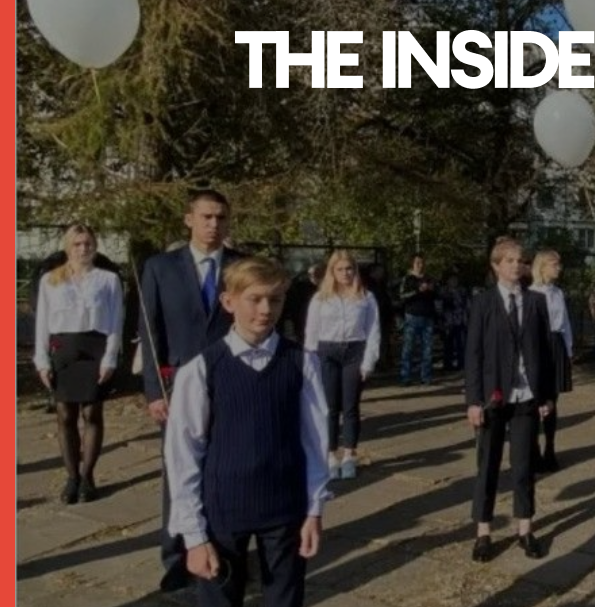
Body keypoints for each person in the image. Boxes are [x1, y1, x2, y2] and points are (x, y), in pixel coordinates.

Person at [164, 256, 330, 607]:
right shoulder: (202, 369)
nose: (266, 310)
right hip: (222, 510)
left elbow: (315, 440)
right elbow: (183, 453)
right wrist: (193, 535)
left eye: (275, 299)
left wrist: (314, 509)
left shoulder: (302, 362)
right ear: (228, 301)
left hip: (285, 508)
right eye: (255, 299)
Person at [138, 188, 246, 593]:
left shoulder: (241, 265)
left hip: (230, 382)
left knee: (225, 467)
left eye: (221, 217)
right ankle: (176, 558)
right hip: (178, 385)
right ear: (189, 220)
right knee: (179, 470)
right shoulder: (160, 268)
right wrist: (154, 390)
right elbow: (150, 332)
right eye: (206, 217)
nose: (214, 224)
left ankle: (223, 548)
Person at [465, 237, 556, 562]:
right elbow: (473, 354)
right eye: (510, 261)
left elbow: (545, 352)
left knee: (524, 465)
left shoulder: (536, 301)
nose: (517, 266)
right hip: (493, 397)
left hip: (527, 396)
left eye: (521, 260)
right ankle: (483, 531)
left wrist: (547, 395)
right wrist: (473, 400)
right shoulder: (483, 303)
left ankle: (525, 528)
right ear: (496, 266)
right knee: (487, 465)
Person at [33, 224, 125, 504]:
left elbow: (116, 321)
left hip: (95, 348)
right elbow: (42, 322)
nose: (83, 249)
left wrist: (110, 357)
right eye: (77, 244)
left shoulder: (108, 279)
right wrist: (41, 359)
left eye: (88, 243)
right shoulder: (50, 279)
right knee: (65, 415)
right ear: (67, 247)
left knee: (92, 413)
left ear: (95, 246)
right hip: (63, 350)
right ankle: (72, 476)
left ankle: (88, 476)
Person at [305, 250, 381, 480]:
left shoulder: (366, 297)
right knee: (329, 407)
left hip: (354, 352)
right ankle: (330, 454)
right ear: (332, 272)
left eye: (349, 268)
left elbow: (373, 331)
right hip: (327, 352)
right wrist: (310, 363)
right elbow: (311, 332)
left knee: (350, 406)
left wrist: (368, 362)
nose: (345, 273)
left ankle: (349, 454)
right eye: (340, 269)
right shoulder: (321, 298)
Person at [529, 250, 573, 473]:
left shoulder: (558, 292)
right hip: (538, 346)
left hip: (556, 344)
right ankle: (533, 450)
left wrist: (569, 349)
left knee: (552, 400)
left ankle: (550, 448)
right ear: (543, 267)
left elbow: (565, 322)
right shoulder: (531, 293)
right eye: (554, 264)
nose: (559, 268)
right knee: (535, 399)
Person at [398, 254, 437, 385]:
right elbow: (402, 296)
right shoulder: (407, 279)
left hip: (428, 317)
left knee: (427, 349)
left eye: (422, 262)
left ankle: (426, 377)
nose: (420, 265)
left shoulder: (429, 278)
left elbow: (437, 295)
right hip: (412, 316)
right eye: (417, 263)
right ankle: (405, 377)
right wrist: (418, 290)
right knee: (408, 348)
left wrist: (431, 290)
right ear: (412, 264)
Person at [440, 273, 470, 372]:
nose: (454, 281)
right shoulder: (443, 291)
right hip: (448, 321)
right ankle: (448, 365)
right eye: (451, 279)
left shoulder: (462, 291)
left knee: (461, 343)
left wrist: (467, 317)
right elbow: (439, 306)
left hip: (461, 320)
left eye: (455, 279)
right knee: (448, 344)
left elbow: (467, 305)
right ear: (447, 281)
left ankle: (462, 364)